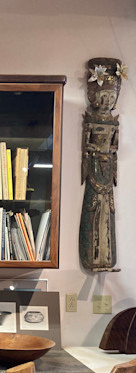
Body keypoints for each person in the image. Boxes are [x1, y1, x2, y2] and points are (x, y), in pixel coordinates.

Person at [79, 57, 127, 271]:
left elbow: (115, 146)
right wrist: (97, 150)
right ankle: (93, 255)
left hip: (107, 168)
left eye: (112, 96)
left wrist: (108, 151)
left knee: (108, 210)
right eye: (104, 96)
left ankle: (106, 257)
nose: (108, 101)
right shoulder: (91, 120)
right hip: (95, 167)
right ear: (95, 96)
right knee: (93, 207)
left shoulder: (114, 123)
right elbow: (86, 145)